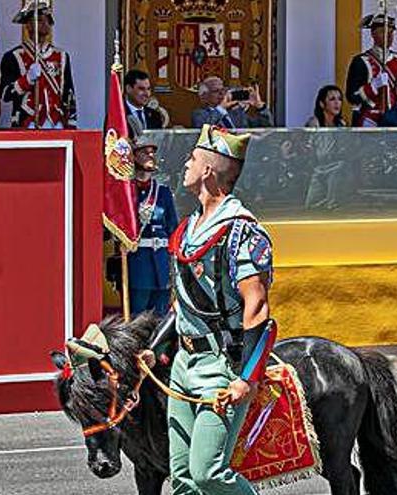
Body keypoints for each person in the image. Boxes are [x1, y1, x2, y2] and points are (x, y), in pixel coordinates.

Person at [153, 124, 276, 494]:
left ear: (208, 170)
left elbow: (256, 306)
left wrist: (246, 378)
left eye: (191, 159)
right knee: (182, 478)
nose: (185, 165)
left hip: (221, 365)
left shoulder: (242, 231)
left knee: (209, 473)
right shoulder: (189, 228)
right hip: (183, 365)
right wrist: (156, 346)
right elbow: (183, 304)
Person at [0, 0, 77, 129]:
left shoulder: (62, 56)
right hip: (27, 121)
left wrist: (71, 123)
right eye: (39, 20)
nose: (45, 23)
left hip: (56, 122)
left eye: (47, 20)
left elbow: (69, 93)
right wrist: (27, 79)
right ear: (28, 25)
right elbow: (5, 94)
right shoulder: (13, 57)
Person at [127, 135, 179, 317]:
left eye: (152, 153)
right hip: (138, 263)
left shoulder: (162, 192)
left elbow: (173, 228)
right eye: (145, 152)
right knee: (138, 316)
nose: (151, 156)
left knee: (161, 316)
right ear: (133, 157)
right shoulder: (126, 192)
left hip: (162, 264)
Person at [345, 14, 397, 127]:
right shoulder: (360, 61)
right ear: (373, 34)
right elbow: (351, 97)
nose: (389, 36)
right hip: (369, 119)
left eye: (391, 32)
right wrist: (372, 87)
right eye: (383, 31)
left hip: (394, 119)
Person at [191, 77, 271, 129]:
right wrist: (221, 108)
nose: (221, 94)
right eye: (216, 91)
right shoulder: (199, 114)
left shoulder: (236, 112)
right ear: (204, 97)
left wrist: (260, 106)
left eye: (223, 90)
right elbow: (206, 130)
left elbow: (267, 127)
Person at [124, 69, 166, 138]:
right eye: (141, 89)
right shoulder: (119, 115)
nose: (147, 94)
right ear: (128, 88)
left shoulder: (155, 115)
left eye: (148, 89)